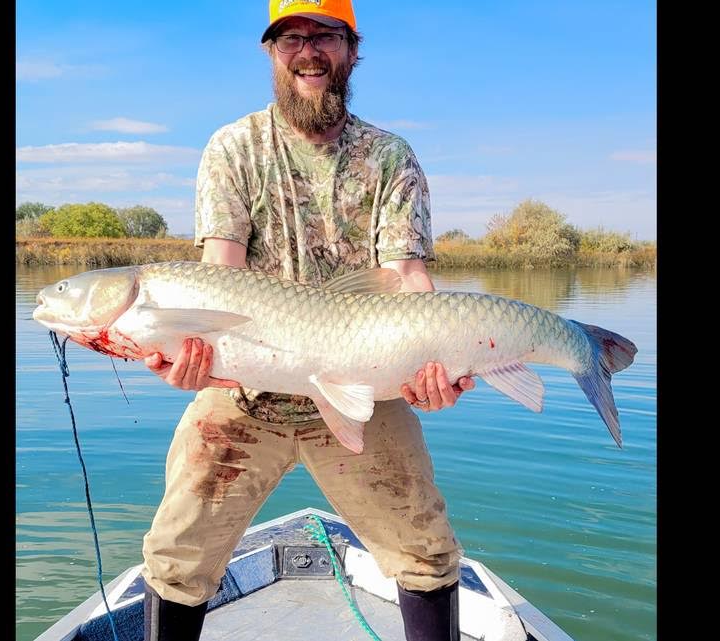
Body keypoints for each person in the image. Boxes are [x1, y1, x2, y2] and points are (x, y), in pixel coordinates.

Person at [139, 2, 474, 639]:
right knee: (177, 557)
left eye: (326, 35)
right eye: (292, 37)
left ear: (352, 49)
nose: (309, 50)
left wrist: (439, 365)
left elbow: (406, 277)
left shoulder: (389, 156)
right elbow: (221, 270)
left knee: (426, 555)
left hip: (365, 387)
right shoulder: (233, 148)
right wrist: (190, 354)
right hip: (245, 393)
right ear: (271, 53)